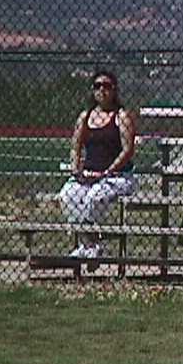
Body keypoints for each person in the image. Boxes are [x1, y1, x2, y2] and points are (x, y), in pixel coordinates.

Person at [59, 71, 136, 258]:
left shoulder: (121, 116)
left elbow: (128, 150)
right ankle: (90, 244)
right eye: (97, 86)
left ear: (114, 90)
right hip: (89, 174)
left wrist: (108, 172)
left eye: (107, 86)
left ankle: (90, 245)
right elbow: (75, 147)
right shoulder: (85, 117)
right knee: (67, 195)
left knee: (94, 197)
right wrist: (76, 170)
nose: (102, 90)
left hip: (118, 176)